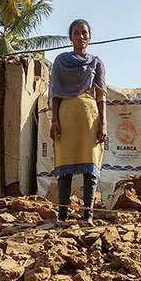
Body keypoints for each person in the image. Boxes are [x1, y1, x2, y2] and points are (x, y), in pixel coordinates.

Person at [49, 18, 107, 222]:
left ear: (90, 37)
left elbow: (101, 95)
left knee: (90, 165)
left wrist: (103, 123)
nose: (81, 36)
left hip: (89, 118)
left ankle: (88, 215)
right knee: (65, 166)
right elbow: (55, 93)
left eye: (84, 32)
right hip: (66, 117)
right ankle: (63, 214)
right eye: (76, 32)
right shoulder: (60, 61)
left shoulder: (96, 62)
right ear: (70, 37)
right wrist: (53, 120)